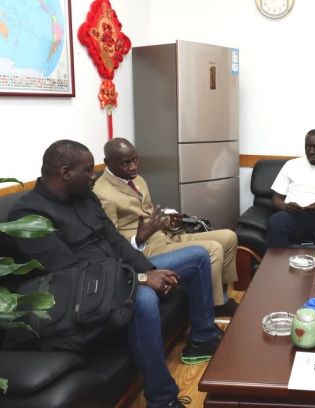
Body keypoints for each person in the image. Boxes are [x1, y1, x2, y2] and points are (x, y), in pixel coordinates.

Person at [8, 140, 222, 408]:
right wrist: (141, 280)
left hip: (121, 273)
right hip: (84, 299)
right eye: (88, 170)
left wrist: (149, 270)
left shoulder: (85, 197)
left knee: (197, 256)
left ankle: (203, 340)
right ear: (65, 173)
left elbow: (115, 240)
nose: (94, 175)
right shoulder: (27, 216)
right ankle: (162, 399)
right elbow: (73, 275)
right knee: (144, 299)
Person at [94, 138, 238, 317]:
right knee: (213, 249)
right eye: (125, 163)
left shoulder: (137, 179)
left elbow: (148, 213)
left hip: (164, 235)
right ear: (107, 162)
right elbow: (111, 242)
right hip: (145, 249)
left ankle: (220, 294)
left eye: (135, 160)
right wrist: (138, 239)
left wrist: (169, 220)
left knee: (229, 237)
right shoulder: (102, 193)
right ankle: (215, 305)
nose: (133, 167)